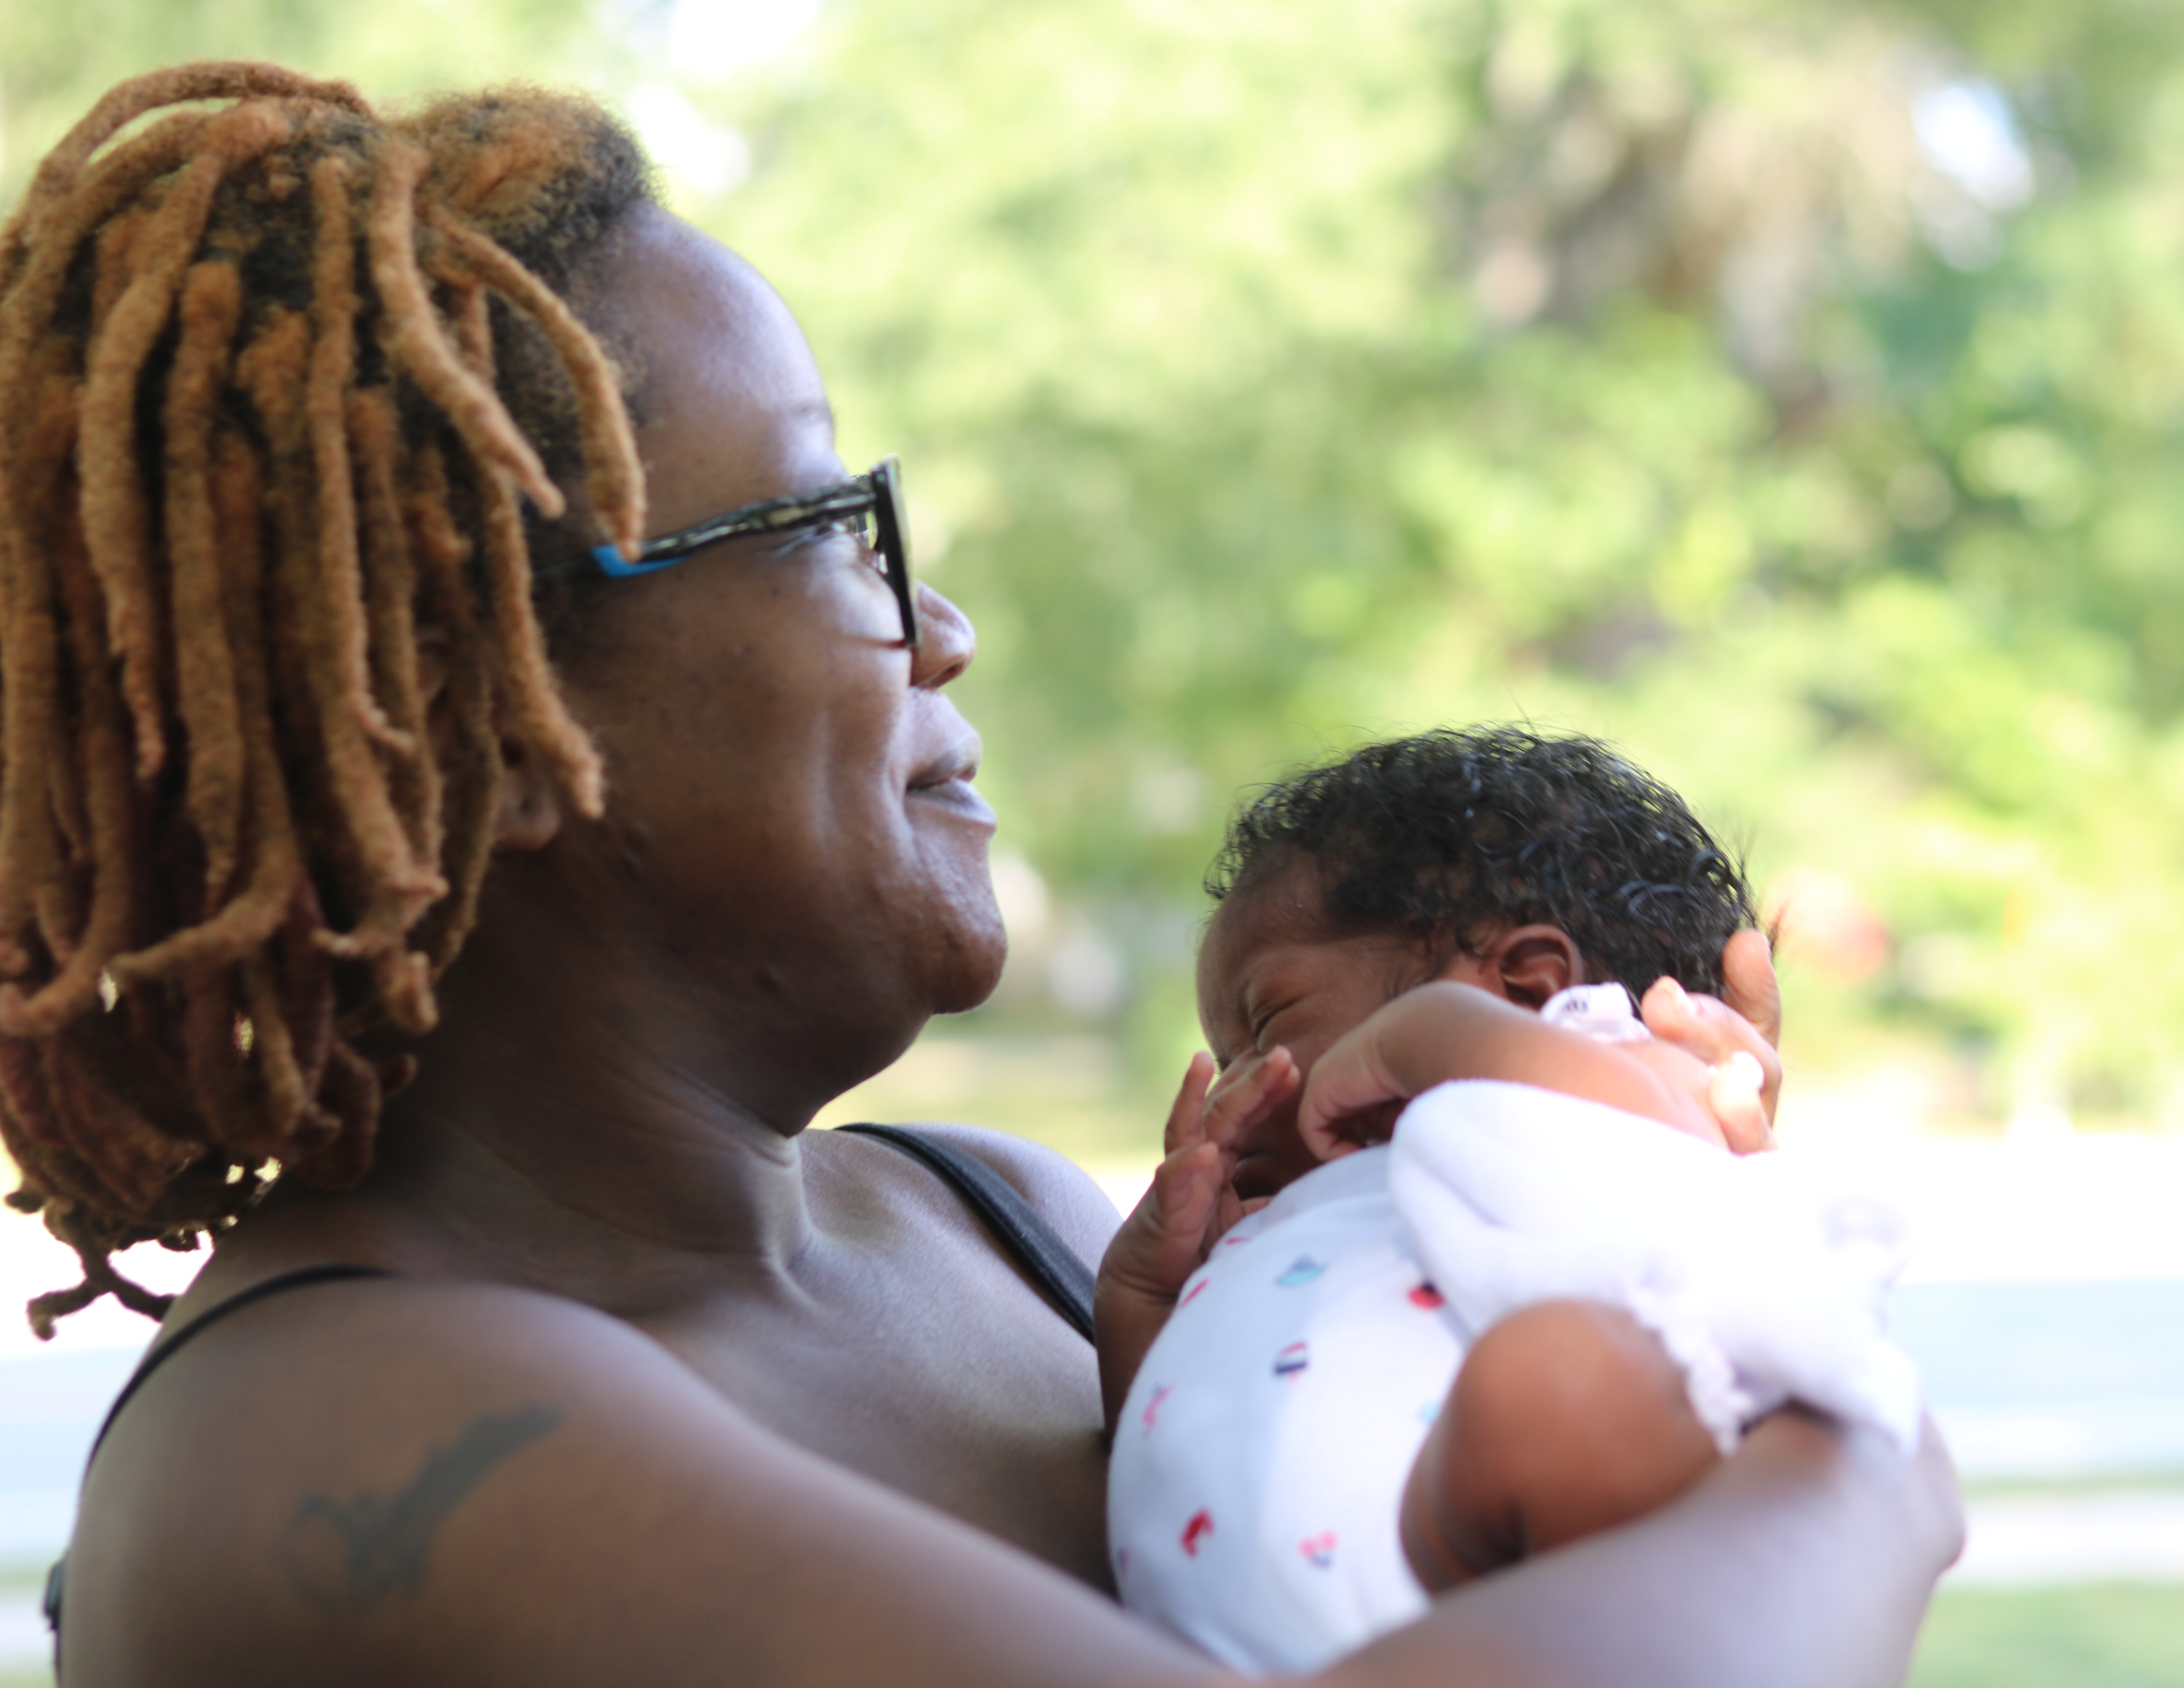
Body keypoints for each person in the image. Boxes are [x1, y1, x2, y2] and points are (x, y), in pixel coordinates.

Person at [0, 63, 1959, 1687]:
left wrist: (1626, 1225)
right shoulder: (338, 1427)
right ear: (480, 719)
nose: (937, 624)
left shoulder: (1005, 1225)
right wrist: (1847, 1452)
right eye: (832, 521)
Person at [1098, 730, 1922, 1674]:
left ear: (1530, 986)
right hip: (1231, 1646)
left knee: (1559, 1380)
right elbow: (1168, 1428)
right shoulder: (1288, 1221)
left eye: (1271, 1020)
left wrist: (1440, 1038)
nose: (1230, 1087)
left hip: (1460, 1563)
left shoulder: (1583, 1062)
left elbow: (1672, 1125)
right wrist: (1145, 1299)